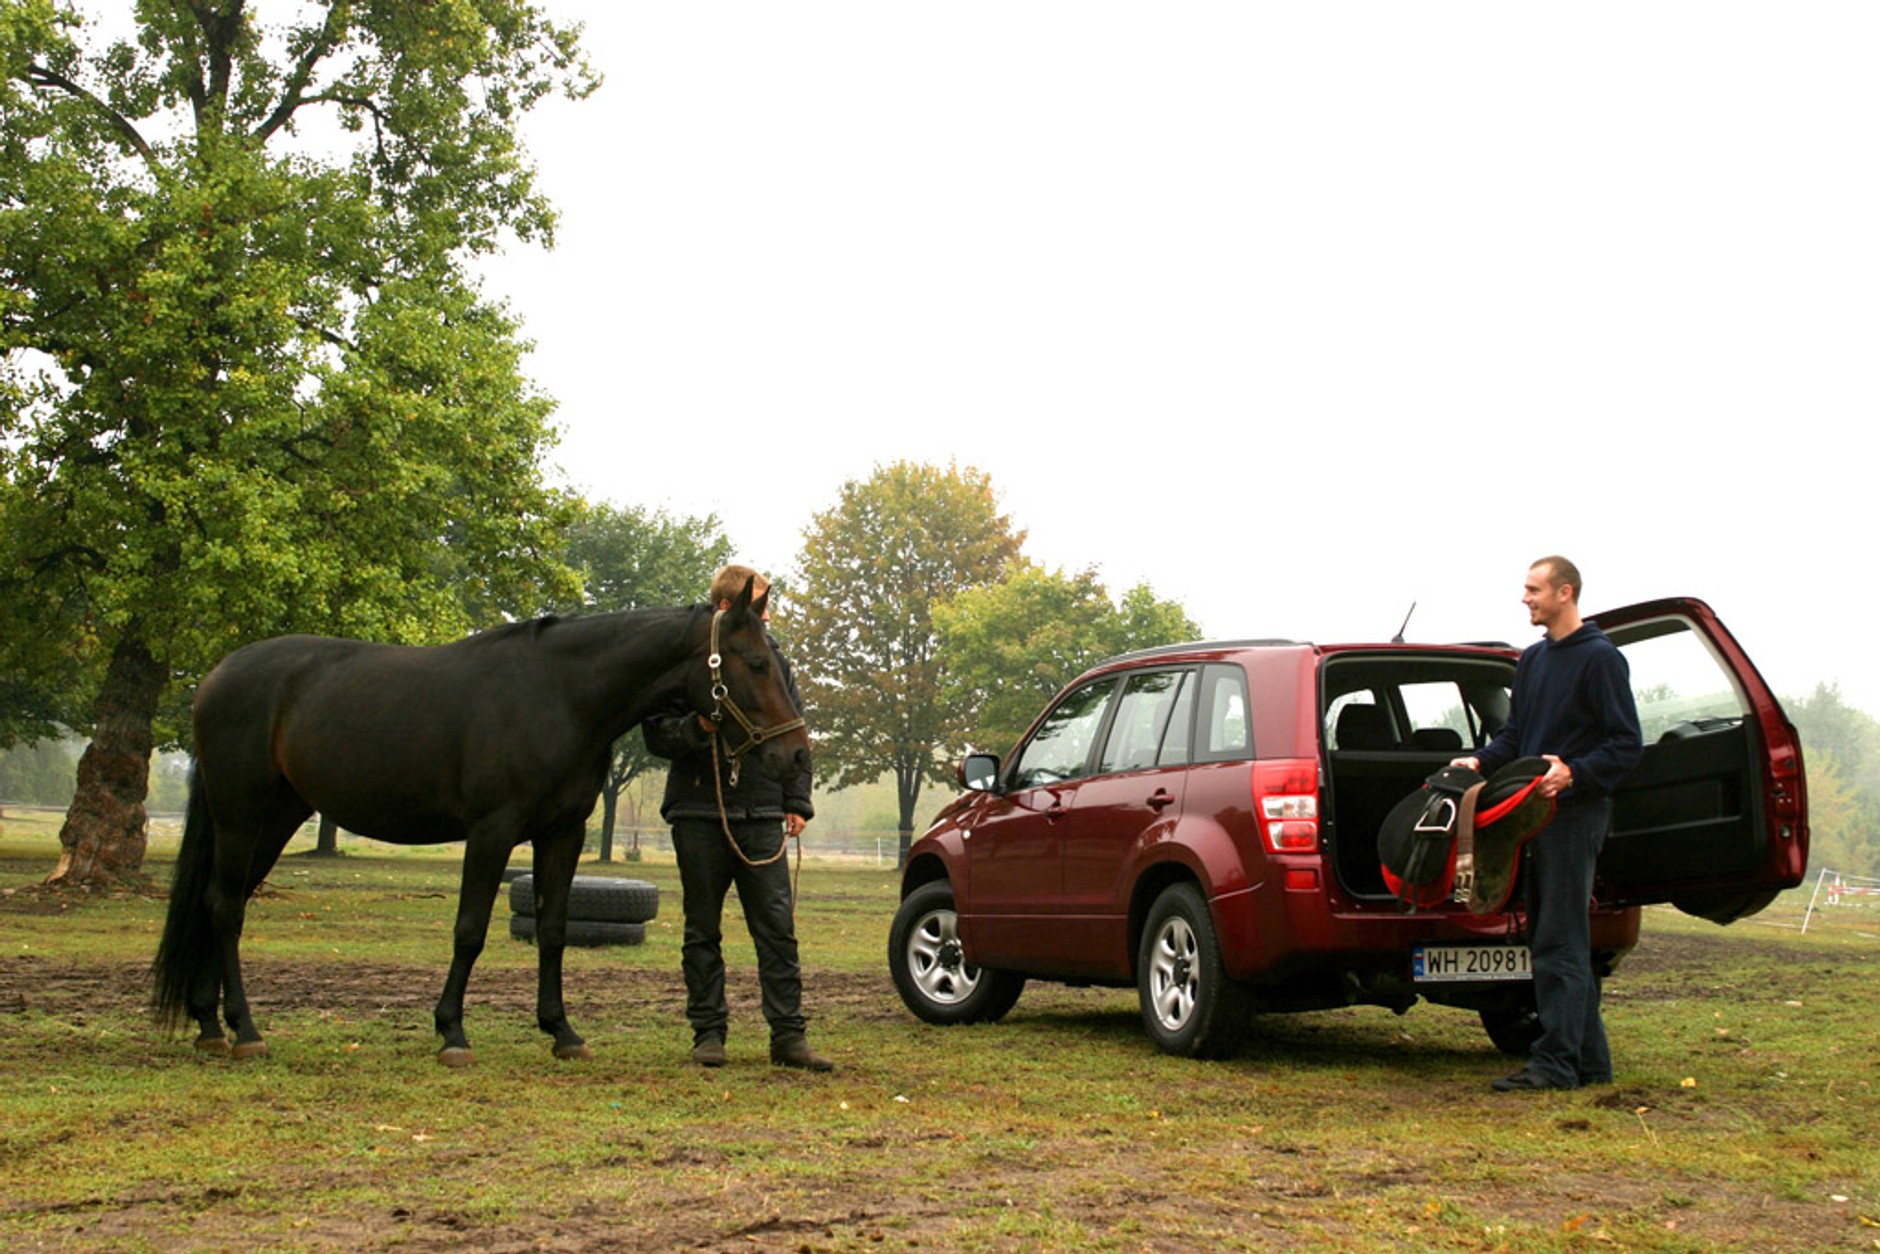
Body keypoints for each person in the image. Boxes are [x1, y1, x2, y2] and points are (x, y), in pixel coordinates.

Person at [1455, 556, 1642, 1092]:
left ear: (1565, 593)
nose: (1525, 598)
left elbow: (1626, 744)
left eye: (1534, 589)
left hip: (1575, 816)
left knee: (1559, 940)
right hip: (1532, 817)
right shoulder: (1534, 660)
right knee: (1551, 936)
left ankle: (1555, 1064)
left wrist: (1574, 773)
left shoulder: (1601, 659)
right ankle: (1590, 1063)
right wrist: (1480, 762)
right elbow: (1517, 736)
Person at [643, 565, 832, 1072]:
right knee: (701, 929)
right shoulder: (685, 665)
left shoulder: (775, 661)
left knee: (777, 930)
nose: (768, 617)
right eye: (761, 608)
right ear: (728, 608)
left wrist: (797, 800)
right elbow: (656, 734)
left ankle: (789, 1037)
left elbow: (793, 728)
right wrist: (698, 728)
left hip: (762, 811)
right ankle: (709, 1034)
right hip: (699, 812)